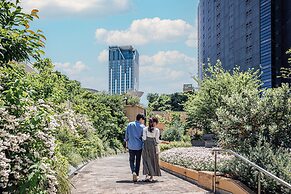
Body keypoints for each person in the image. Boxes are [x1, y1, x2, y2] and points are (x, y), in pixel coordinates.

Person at [124, 113, 145, 182]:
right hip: (139, 146)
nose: (143, 121)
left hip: (131, 145)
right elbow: (143, 137)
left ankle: (133, 171)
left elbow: (126, 135)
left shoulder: (129, 124)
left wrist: (126, 143)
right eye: (143, 119)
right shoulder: (142, 127)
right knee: (138, 161)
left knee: (131, 160)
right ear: (141, 119)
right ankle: (137, 175)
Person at [142, 117, 161, 182]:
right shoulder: (157, 130)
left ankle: (147, 175)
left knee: (146, 160)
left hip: (146, 146)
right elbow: (157, 140)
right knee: (153, 160)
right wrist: (162, 141)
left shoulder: (145, 129)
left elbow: (144, 138)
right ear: (155, 123)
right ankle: (152, 177)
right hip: (153, 146)